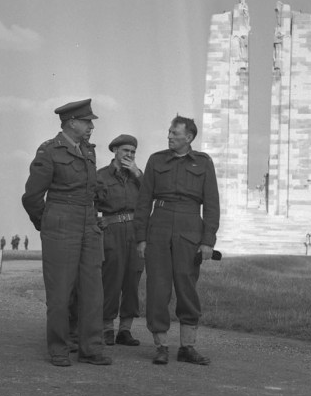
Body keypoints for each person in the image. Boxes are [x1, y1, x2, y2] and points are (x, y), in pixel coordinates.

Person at [22, 99, 110, 367]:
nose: (91, 126)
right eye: (87, 121)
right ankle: (59, 347)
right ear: (71, 122)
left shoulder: (88, 151)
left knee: (93, 290)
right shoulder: (49, 151)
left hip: (87, 222)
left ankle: (91, 347)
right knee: (60, 292)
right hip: (60, 221)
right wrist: (48, 223)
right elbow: (32, 197)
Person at [135, 115, 220, 366]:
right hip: (159, 227)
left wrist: (208, 241)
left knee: (187, 288)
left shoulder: (204, 163)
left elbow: (212, 205)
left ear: (189, 137)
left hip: (190, 229)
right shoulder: (156, 160)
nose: (169, 136)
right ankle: (161, 346)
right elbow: (143, 202)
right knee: (157, 288)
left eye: (175, 133)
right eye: (169, 132)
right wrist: (141, 237)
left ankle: (188, 346)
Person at [97, 134, 144, 346]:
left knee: (132, 280)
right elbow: (90, 204)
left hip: (135, 233)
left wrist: (138, 173)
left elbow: (151, 196)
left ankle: (125, 329)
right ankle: (107, 327)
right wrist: (99, 223)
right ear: (115, 150)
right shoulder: (101, 176)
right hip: (112, 232)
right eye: (125, 150)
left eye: (133, 152)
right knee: (111, 280)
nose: (129, 155)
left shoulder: (139, 177)